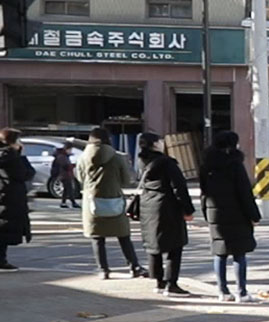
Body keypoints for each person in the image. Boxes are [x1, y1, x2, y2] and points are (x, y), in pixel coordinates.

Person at [199, 131, 260, 302]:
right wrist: (254, 216)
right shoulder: (235, 165)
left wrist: (206, 213)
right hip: (237, 213)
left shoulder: (207, 166)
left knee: (220, 253)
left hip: (215, 213)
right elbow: (245, 193)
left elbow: (203, 192)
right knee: (239, 253)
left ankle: (223, 292)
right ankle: (242, 292)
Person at [136, 133, 197, 297]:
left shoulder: (142, 161)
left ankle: (159, 282)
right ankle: (172, 284)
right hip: (168, 207)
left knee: (154, 245)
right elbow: (179, 187)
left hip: (148, 206)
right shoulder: (167, 163)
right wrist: (188, 210)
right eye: (160, 141)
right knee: (175, 246)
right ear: (155, 144)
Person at [78, 126, 143, 280]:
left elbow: (80, 178)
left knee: (97, 237)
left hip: (92, 201)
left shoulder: (83, 157)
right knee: (123, 236)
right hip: (115, 199)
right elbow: (126, 180)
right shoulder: (117, 157)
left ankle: (103, 270)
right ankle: (134, 267)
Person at [0, 129, 34, 271]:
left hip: (4, 196)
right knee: (5, 230)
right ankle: (1, 259)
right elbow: (25, 173)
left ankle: (2, 259)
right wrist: (20, 155)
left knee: (3, 230)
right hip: (10, 197)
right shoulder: (11, 157)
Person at [51, 142, 78, 208]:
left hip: (65, 175)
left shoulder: (63, 155)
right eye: (70, 150)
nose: (70, 151)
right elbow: (65, 165)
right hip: (64, 175)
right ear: (67, 149)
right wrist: (73, 165)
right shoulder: (62, 156)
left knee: (66, 189)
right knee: (69, 189)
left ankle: (64, 203)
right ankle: (73, 203)